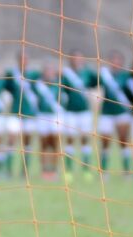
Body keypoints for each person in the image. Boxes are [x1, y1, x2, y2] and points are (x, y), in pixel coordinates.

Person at [60, 50, 96, 180]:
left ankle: (86, 170)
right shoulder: (65, 74)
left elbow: (97, 82)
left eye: (79, 58)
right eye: (74, 58)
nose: (77, 60)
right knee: (69, 139)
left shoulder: (87, 73)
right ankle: (68, 171)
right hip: (70, 111)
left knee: (85, 139)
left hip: (85, 111)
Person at [95, 50, 133, 176]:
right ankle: (104, 172)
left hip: (122, 112)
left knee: (123, 142)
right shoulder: (104, 75)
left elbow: (132, 92)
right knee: (105, 142)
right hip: (106, 112)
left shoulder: (126, 76)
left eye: (118, 60)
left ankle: (126, 171)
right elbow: (92, 82)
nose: (115, 62)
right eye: (113, 60)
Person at [3, 51, 40, 178]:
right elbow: (7, 88)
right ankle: (8, 170)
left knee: (27, 142)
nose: (23, 61)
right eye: (21, 59)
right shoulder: (11, 74)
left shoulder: (34, 75)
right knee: (11, 139)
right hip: (15, 113)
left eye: (26, 59)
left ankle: (24, 171)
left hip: (29, 113)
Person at [33, 63, 64, 181]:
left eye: (51, 71)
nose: (49, 74)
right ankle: (44, 170)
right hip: (42, 116)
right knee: (44, 144)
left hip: (55, 116)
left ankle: (54, 170)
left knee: (55, 143)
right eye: (47, 71)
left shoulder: (59, 83)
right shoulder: (38, 84)